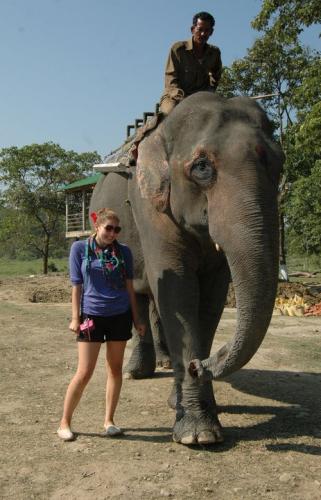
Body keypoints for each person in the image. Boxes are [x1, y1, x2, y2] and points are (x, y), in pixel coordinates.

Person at [57, 208, 145, 441]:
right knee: (84, 371)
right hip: (91, 316)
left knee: (115, 369)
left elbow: (129, 288)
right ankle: (64, 422)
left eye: (117, 229)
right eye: (109, 228)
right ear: (97, 226)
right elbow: (77, 286)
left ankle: (109, 420)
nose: (113, 233)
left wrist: (137, 319)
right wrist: (75, 317)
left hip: (119, 315)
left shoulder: (124, 252)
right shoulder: (79, 249)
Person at [159, 11, 222, 115]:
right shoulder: (178, 49)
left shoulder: (214, 53)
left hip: (202, 100)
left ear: (211, 32)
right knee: (171, 113)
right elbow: (171, 80)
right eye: (200, 29)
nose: (203, 34)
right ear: (193, 30)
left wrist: (209, 92)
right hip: (175, 98)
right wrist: (183, 99)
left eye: (207, 30)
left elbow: (216, 76)